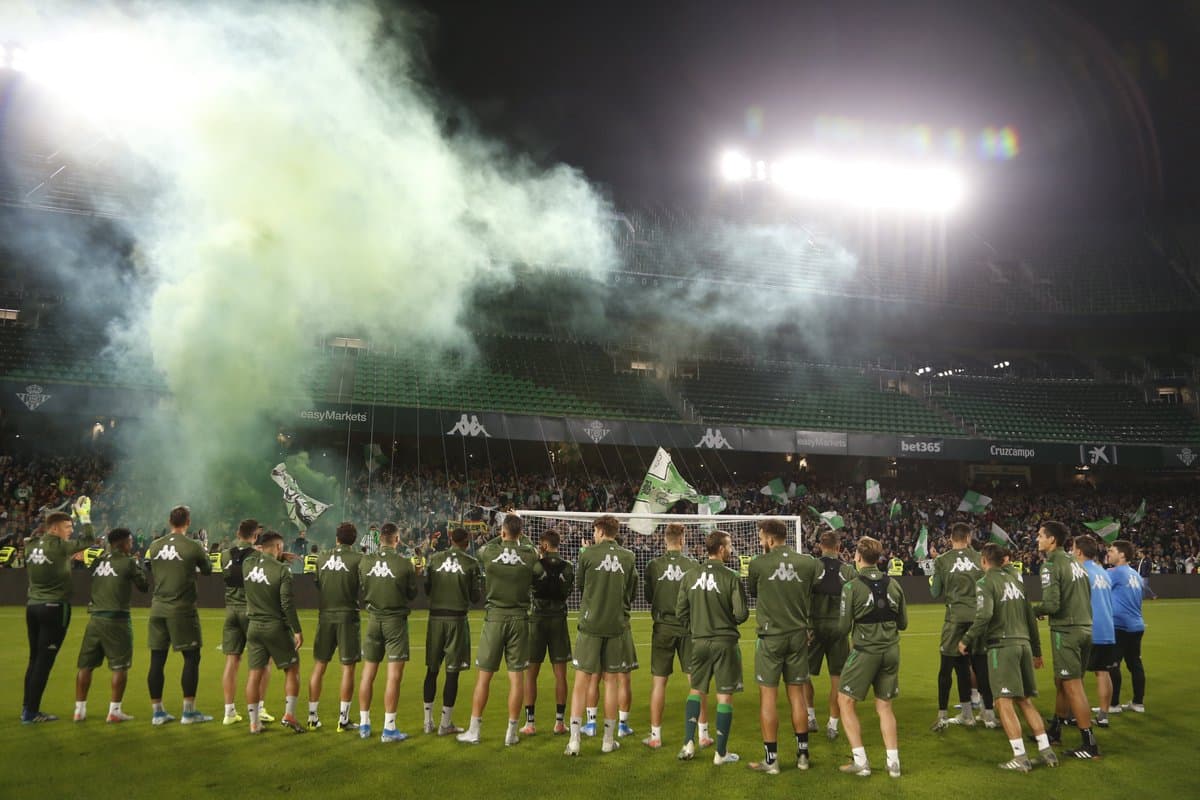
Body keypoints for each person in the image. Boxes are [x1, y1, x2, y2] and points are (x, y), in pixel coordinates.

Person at [958, 544, 1058, 771]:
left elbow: (984, 615)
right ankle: (1046, 752)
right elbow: (1030, 617)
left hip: (1002, 646)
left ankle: (1020, 757)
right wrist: (1037, 650)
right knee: (1024, 700)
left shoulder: (985, 583)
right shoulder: (1017, 581)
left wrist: (967, 639)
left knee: (1002, 701)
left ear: (984, 561)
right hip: (1023, 643)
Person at [746, 518, 821, 774]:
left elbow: (753, 592)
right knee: (797, 695)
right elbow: (813, 590)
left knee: (768, 697)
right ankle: (802, 756)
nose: (759, 541)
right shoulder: (808, 563)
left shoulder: (758, 563)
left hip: (770, 637)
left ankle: (772, 760)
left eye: (760, 537)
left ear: (768, 538)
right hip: (798, 636)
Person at [458, 514, 539, 745]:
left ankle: (474, 730)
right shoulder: (528, 554)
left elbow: (485, 546)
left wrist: (501, 536)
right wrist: (517, 537)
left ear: (502, 532)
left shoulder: (490, 553)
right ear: (521, 534)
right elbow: (531, 547)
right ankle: (511, 733)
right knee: (517, 679)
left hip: (494, 619)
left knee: (484, 678)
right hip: (520, 620)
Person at [564, 515, 637, 756]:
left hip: (590, 625)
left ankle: (574, 741)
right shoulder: (629, 557)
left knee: (581, 683)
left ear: (600, 530)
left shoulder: (587, 555)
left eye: (595, 530)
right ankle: (608, 740)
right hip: (616, 626)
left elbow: (580, 585)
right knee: (612, 683)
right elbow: (631, 591)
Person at [675, 529, 748, 765]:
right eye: (729, 546)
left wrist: (698, 625)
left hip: (699, 642)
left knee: (696, 690)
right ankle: (721, 754)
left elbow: (680, 612)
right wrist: (725, 620)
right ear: (720, 548)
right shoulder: (731, 576)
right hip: (725, 642)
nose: (731, 550)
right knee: (724, 696)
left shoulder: (689, 575)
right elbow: (741, 613)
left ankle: (688, 744)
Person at [836, 536, 907, 779]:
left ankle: (861, 762)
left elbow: (843, 627)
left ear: (857, 557)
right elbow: (904, 623)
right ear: (878, 558)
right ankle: (893, 764)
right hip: (891, 651)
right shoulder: (895, 585)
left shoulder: (851, 586)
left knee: (845, 701)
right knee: (885, 707)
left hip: (866, 651)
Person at [1032, 521, 1098, 759]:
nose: (1037, 539)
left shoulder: (1051, 565)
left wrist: (1031, 610)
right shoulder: (1076, 562)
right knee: (1063, 681)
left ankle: (1089, 743)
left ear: (1052, 540)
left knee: (1072, 685)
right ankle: (1055, 730)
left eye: (1040, 535)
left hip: (1067, 631)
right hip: (1086, 628)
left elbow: (1052, 605)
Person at [642, 524, 710, 750]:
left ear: (665, 540)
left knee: (659, 682)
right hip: (688, 627)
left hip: (663, 627)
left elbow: (649, 596)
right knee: (695, 681)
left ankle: (655, 736)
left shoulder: (653, 565)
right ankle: (702, 735)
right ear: (682, 539)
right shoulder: (693, 566)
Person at [145, 505, 214, 725]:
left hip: (157, 608)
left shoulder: (155, 545)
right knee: (192, 657)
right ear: (188, 522)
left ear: (169, 521)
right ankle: (189, 711)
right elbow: (207, 570)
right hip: (181, 609)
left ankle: (157, 712)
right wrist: (203, 546)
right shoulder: (192, 546)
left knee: (157, 659)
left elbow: (150, 567)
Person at [74, 528, 149, 723]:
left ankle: (79, 710)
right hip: (117, 620)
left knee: (85, 666)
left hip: (95, 619)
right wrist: (137, 564)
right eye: (130, 541)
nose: (131, 544)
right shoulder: (128, 562)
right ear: (123, 543)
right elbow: (143, 586)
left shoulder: (98, 561)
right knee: (119, 667)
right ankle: (114, 711)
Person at [23, 511, 91, 723]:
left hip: (33, 606)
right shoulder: (60, 547)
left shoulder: (32, 545)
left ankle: (27, 708)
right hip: (54, 607)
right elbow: (88, 540)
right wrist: (85, 518)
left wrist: (67, 557)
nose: (71, 531)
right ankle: (31, 713)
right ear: (53, 528)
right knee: (44, 662)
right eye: (67, 527)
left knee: (34, 659)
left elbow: (41, 550)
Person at [929, 523, 993, 730]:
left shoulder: (942, 560)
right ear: (968, 537)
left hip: (955, 619)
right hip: (978, 618)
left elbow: (935, 592)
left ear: (951, 538)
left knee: (950, 667)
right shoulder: (980, 558)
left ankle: (946, 716)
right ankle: (988, 714)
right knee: (981, 666)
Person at [358, 522, 418, 741]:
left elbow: (364, 586)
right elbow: (412, 594)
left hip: (373, 619)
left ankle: (364, 725)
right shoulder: (404, 565)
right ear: (397, 539)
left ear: (379, 539)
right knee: (393, 677)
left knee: (368, 673)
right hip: (395, 622)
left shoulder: (365, 562)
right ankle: (389, 728)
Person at [242, 530, 306, 734]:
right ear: (278, 547)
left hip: (253, 627)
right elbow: (287, 603)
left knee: (254, 674)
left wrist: (275, 555)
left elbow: (252, 553)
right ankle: (289, 714)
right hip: (275, 627)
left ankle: (254, 723)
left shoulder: (247, 565)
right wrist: (297, 630)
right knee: (293, 669)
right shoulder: (282, 571)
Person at [423, 526, 481, 736]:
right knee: (452, 672)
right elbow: (476, 597)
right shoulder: (471, 563)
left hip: (435, 618)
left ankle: (427, 722)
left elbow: (426, 588)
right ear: (466, 542)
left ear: (450, 539)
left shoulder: (435, 559)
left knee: (432, 670)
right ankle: (445, 723)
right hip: (456, 620)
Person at [307, 522, 364, 732]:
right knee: (348, 668)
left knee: (319, 666)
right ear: (354, 540)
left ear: (337, 538)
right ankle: (343, 720)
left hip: (325, 615)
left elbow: (317, 583)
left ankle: (312, 717)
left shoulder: (321, 557)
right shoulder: (359, 559)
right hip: (348, 615)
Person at [803, 530, 856, 741]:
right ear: (839, 547)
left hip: (813, 629)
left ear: (820, 546)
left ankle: (810, 716)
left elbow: (804, 596)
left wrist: (806, 625)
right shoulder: (848, 570)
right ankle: (833, 724)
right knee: (837, 679)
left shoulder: (812, 568)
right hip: (838, 630)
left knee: (803, 674)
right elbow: (854, 602)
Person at [521, 528, 574, 736]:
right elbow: (567, 591)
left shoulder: (534, 566)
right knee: (560, 675)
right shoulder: (568, 567)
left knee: (530, 674)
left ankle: (530, 723)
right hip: (558, 621)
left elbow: (528, 587)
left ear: (543, 545)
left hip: (537, 620)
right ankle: (559, 723)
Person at [220, 519, 271, 726]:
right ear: (255, 536)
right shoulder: (257, 557)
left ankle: (229, 712)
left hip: (231, 611)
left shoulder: (225, 554)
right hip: (251, 612)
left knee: (232, 661)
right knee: (262, 662)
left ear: (237, 533)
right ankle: (258, 709)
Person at [1075, 534, 1117, 728]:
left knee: (1077, 675)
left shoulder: (1081, 571)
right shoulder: (1103, 572)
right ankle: (1103, 714)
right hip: (1108, 628)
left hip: (1089, 628)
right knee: (1103, 672)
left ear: (1079, 551)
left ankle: (1077, 713)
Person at [1106, 539, 1146, 713]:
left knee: (1112, 664)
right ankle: (1138, 703)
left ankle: (1113, 704)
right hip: (1137, 625)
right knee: (1135, 664)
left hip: (1119, 625)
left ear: (1122, 555)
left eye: (1112, 551)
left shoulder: (1115, 573)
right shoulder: (1135, 574)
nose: (1108, 553)